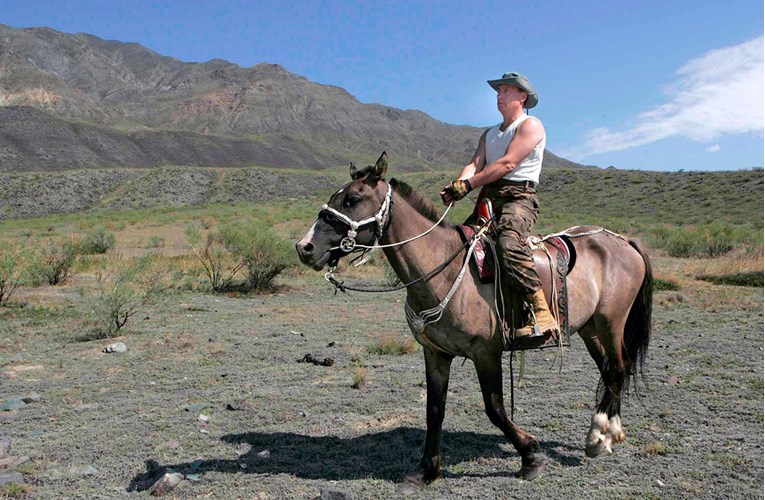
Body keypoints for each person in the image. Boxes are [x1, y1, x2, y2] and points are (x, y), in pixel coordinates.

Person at [441, 71, 558, 345]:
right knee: (459, 243)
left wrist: (469, 185)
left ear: (522, 96)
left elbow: (507, 164)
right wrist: (458, 184)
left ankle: (541, 313)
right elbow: (475, 164)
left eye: (507, 90)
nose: (500, 95)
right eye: (499, 91)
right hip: (490, 198)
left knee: (508, 243)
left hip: (520, 198)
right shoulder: (490, 134)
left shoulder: (531, 125)